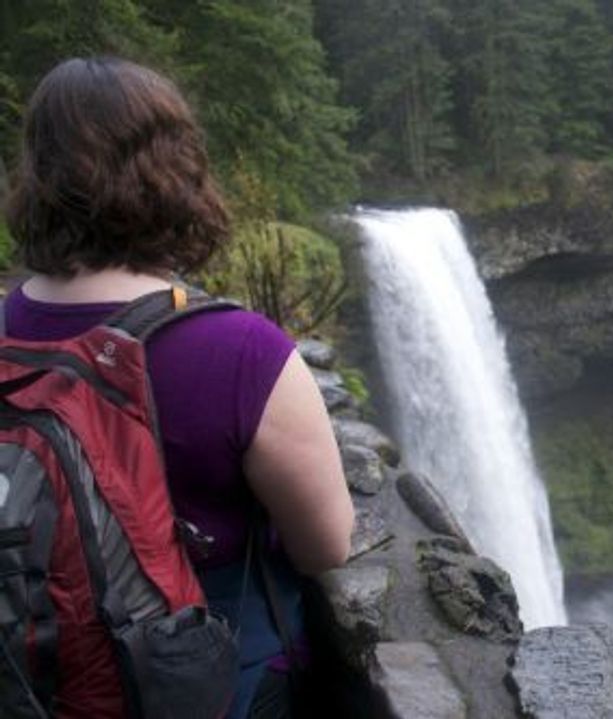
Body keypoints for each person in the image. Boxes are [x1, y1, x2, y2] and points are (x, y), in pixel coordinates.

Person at [2, 57, 354, 718]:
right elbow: (327, 544)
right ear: (177, 173)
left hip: (37, 669)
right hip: (211, 683)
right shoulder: (244, 351)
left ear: (39, 177)